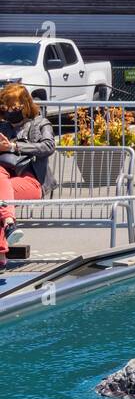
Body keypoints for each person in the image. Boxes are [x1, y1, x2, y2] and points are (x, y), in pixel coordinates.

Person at [0, 83, 55, 268]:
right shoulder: (3, 127)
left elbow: (48, 146)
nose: (9, 111)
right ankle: (9, 223)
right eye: (5, 107)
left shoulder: (40, 123)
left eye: (14, 107)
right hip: (5, 180)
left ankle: (1, 255)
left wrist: (14, 147)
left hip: (32, 181)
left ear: (25, 105)